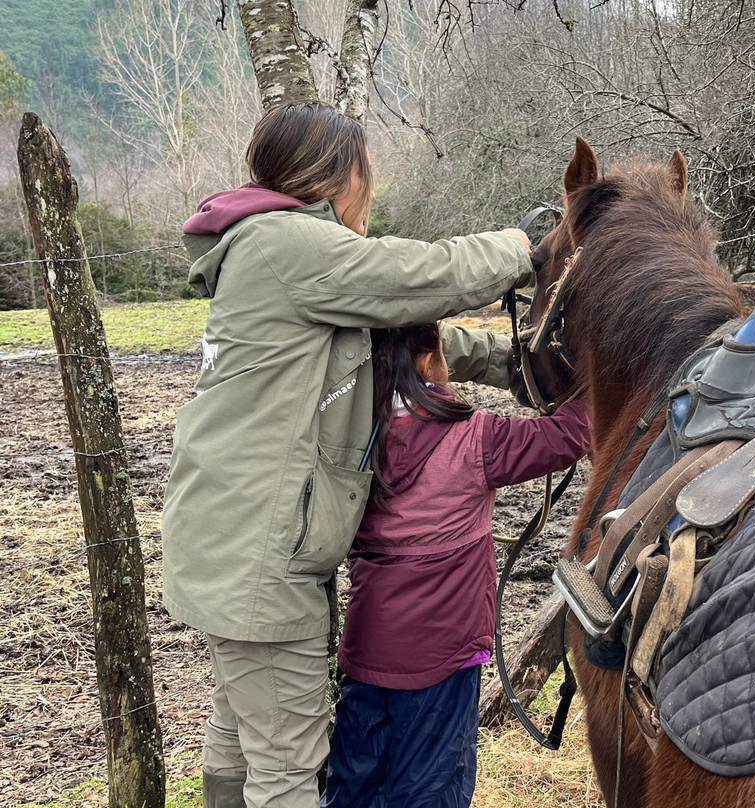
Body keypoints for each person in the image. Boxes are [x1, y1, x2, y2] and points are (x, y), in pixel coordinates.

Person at [160, 100, 534, 808]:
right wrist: (524, 251)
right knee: (289, 768)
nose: (372, 188)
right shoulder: (285, 243)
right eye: (367, 171)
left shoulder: (287, 260)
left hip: (234, 542)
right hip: (257, 561)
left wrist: (513, 363)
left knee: (244, 731)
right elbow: (416, 276)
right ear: (337, 176)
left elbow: (400, 344)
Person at [321, 324, 589, 808]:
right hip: (443, 656)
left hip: (366, 647)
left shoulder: (348, 442)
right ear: (427, 363)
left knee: (355, 784)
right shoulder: (474, 440)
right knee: (431, 788)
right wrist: (602, 377)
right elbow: (571, 432)